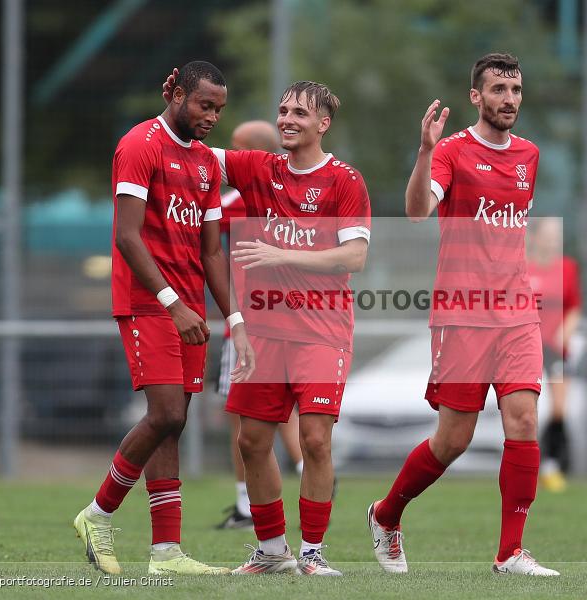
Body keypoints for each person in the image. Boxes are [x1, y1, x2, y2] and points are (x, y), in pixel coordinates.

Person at [164, 73, 371, 575]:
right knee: (251, 441)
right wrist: (172, 105)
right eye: (283, 111)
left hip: (322, 331)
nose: (287, 120)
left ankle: (314, 554)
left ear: (323, 123)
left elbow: (355, 256)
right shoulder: (259, 168)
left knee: (316, 440)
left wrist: (281, 251)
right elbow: (186, 146)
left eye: (299, 113)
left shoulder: (344, 180)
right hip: (261, 333)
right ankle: (273, 551)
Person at [367, 53, 558, 577]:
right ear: (476, 97)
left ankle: (510, 553)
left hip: (516, 311)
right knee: (454, 439)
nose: (510, 99)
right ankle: (386, 515)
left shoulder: (530, 155)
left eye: (516, 89)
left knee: (523, 419)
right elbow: (415, 211)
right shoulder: (451, 152)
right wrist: (425, 153)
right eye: (498, 89)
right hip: (463, 313)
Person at [73, 61, 254, 576]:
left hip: (188, 307)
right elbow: (128, 236)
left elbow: (213, 253)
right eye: (204, 105)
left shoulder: (204, 163)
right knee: (167, 414)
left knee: (172, 427)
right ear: (175, 94)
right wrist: (173, 302)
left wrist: (234, 318)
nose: (212, 116)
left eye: (219, 108)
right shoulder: (139, 144)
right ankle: (98, 512)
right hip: (148, 302)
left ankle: (166, 553)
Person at [214, 120, 304, 531]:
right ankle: (308, 474)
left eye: (236, 147)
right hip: (289, 317)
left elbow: (203, 229)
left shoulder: (242, 197)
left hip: (250, 322)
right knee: (281, 412)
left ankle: (247, 506)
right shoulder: (294, 192)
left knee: (241, 415)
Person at [527, 217, 582, 492]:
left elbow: (574, 307)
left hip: (556, 349)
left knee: (559, 409)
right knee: (528, 412)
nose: (553, 239)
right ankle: (531, 467)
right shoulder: (522, 268)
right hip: (527, 349)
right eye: (548, 234)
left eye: (557, 234)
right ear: (534, 237)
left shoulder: (568, 268)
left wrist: (564, 332)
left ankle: (552, 463)